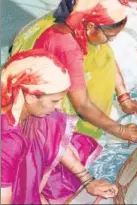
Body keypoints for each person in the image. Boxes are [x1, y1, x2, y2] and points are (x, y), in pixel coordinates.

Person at [10, 0, 137, 142]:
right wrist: (121, 131)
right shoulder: (68, 47)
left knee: (101, 55)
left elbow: (108, 58)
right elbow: (82, 106)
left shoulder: (81, 23)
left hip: (65, 62)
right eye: (110, 36)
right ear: (90, 26)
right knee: (66, 141)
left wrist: (124, 98)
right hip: (44, 101)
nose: (111, 41)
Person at [1, 50, 118, 204]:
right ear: (30, 96)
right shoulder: (8, 139)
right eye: (54, 101)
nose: (58, 107)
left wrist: (88, 181)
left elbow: (56, 142)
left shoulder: (31, 110)